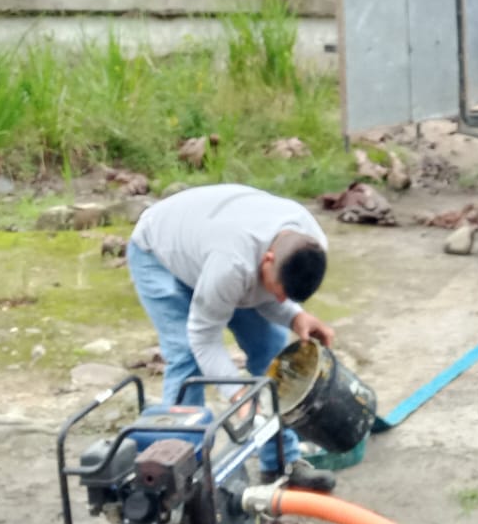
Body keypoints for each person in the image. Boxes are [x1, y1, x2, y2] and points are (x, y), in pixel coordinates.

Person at [128, 183, 339, 493]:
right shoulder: (232, 264)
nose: (280, 301)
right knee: (186, 359)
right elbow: (204, 339)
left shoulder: (311, 241)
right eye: (278, 292)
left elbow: (272, 298)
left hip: (213, 247)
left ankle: (281, 463)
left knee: (270, 349)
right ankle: (179, 482)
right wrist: (239, 397)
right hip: (159, 254)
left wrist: (296, 317)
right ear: (267, 260)